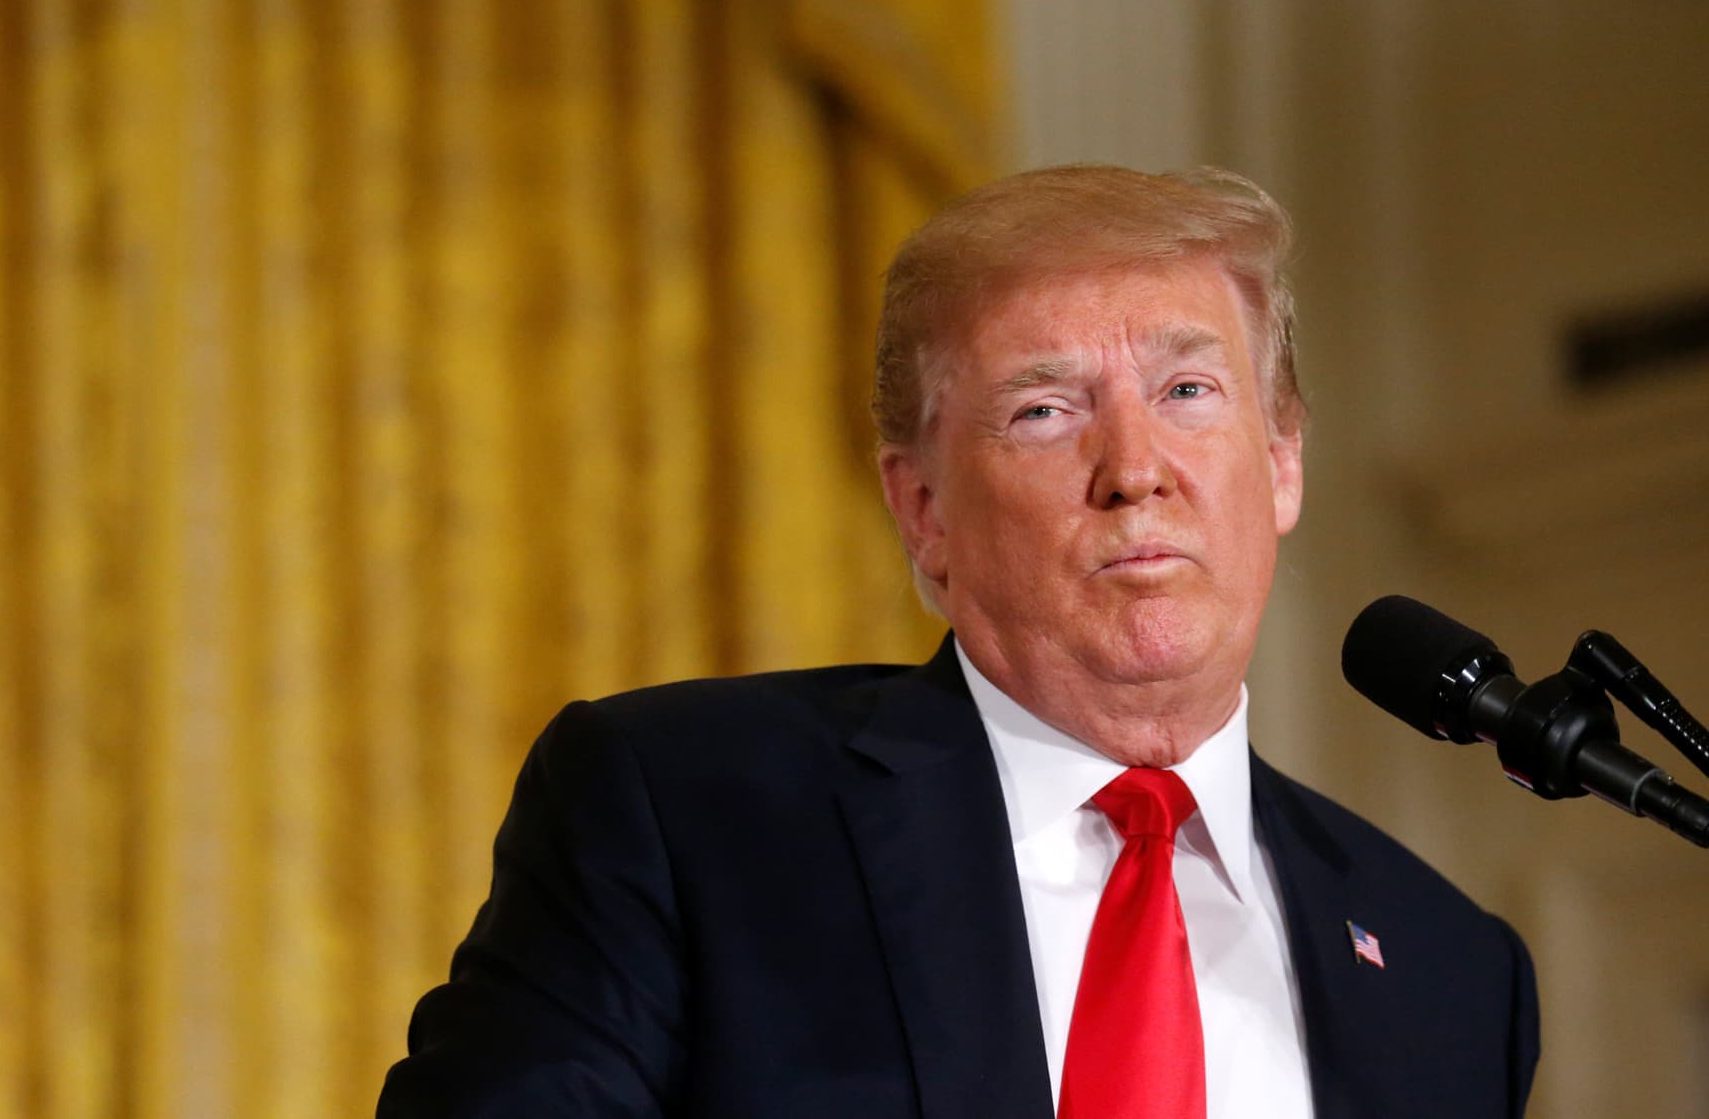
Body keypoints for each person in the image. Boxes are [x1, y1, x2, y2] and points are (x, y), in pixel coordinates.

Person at [376, 165, 1539, 1118]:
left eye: (1187, 389)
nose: (1134, 470)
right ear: (923, 507)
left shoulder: (1451, 972)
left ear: (1281, 461)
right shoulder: (685, 813)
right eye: (1044, 409)